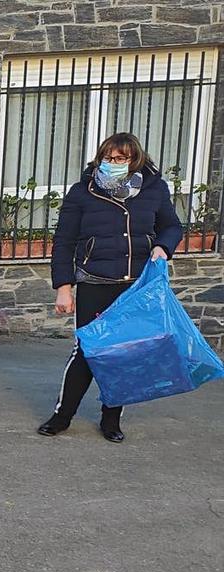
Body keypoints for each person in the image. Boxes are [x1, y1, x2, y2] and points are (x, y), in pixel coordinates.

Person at [38, 132, 182, 443]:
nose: (113, 163)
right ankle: (62, 416)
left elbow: (171, 225)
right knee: (87, 351)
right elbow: (63, 242)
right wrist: (64, 287)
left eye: (120, 159)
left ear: (134, 161)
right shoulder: (82, 192)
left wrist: (163, 247)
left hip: (134, 287)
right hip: (94, 281)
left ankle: (111, 419)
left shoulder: (154, 189)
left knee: (124, 353)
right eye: (108, 158)